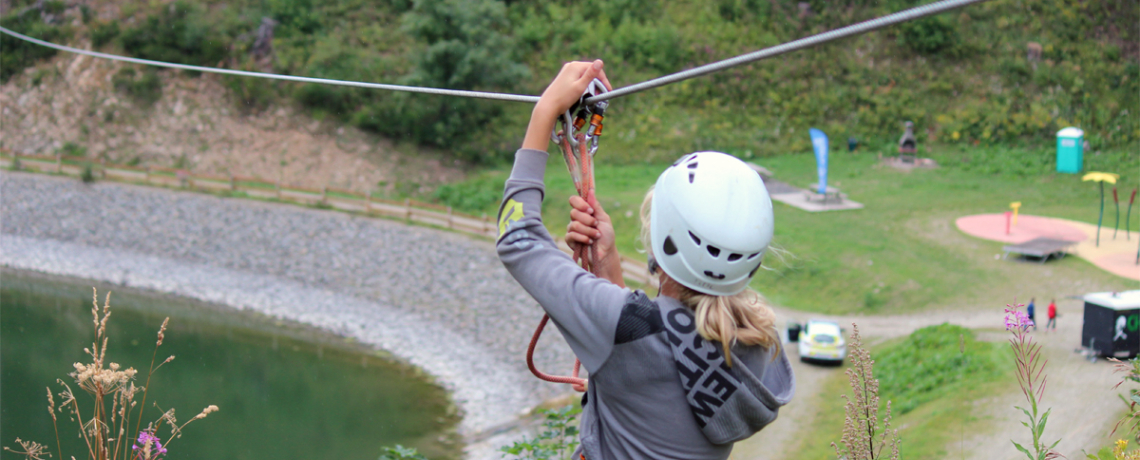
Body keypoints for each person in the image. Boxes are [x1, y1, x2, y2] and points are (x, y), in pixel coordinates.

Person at [497, 60, 794, 460]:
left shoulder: (624, 327)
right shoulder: (757, 344)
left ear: (658, 246)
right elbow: (658, 359)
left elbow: (519, 240)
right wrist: (608, 267)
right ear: (752, 260)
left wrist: (544, 112)